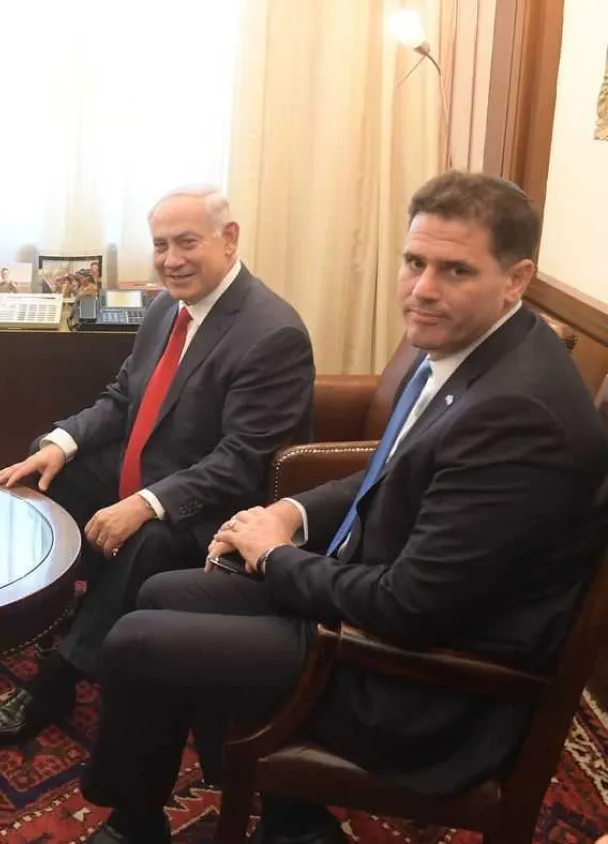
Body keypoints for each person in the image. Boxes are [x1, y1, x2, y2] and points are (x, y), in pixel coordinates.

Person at [77, 171, 608, 844]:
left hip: (419, 681)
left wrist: (273, 558)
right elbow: (389, 473)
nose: (422, 290)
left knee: (137, 639)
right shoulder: (478, 349)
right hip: (379, 611)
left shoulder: (517, 415)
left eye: (455, 270)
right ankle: (283, 812)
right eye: (415, 263)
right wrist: (289, 514)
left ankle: (140, 823)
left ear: (516, 277)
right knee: (163, 590)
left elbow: (409, 608)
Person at [0, 186, 314, 748]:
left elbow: (240, 461)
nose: (171, 259)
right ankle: (39, 612)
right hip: (150, 469)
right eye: (160, 245)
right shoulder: (165, 307)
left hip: (216, 503)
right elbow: (122, 399)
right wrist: (60, 443)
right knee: (43, 476)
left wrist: (145, 502)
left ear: (229, 240)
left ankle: (59, 679)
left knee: (150, 539)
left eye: (186, 242)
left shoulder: (271, 333)